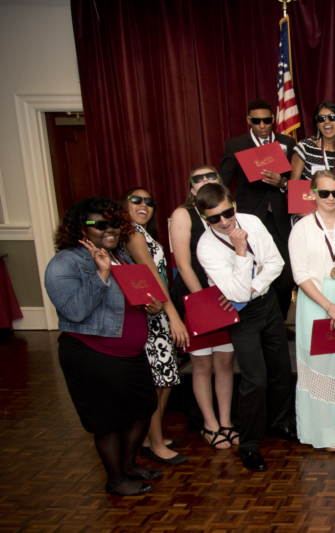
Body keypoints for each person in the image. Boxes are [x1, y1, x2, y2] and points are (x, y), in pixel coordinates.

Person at [45, 196, 164, 495]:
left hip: (130, 354)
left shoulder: (121, 256)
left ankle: (128, 466)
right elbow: (74, 312)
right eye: (98, 225)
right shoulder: (64, 262)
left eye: (113, 223)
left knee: (144, 408)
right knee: (107, 421)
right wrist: (101, 274)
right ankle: (116, 480)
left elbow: (133, 302)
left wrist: (152, 308)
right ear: (81, 229)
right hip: (92, 355)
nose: (108, 229)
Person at [196, 183, 296, 472]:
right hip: (242, 316)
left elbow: (276, 263)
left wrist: (253, 287)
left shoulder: (251, 221)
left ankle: (278, 424)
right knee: (255, 380)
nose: (224, 221)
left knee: (280, 369)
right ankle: (249, 445)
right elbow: (237, 295)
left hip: (268, 303)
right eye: (214, 218)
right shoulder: (207, 247)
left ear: (234, 205)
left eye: (227, 213)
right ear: (204, 218)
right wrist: (241, 251)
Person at [287, 170, 335, 452]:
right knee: (320, 364)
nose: (331, 198)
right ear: (313, 193)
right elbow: (300, 275)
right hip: (315, 301)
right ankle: (325, 432)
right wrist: (328, 306)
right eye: (324, 193)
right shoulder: (301, 229)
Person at [169, 166, 237, 451]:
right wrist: (203, 302)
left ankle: (226, 422)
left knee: (225, 363)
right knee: (202, 365)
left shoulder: (227, 212)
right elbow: (183, 264)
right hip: (196, 299)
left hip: (226, 299)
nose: (206, 180)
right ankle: (210, 425)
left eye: (212, 176)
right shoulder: (183, 214)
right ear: (191, 188)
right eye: (199, 178)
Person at [122, 187, 188, 465]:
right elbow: (151, 275)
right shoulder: (132, 233)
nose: (144, 204)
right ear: (124, 205)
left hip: (157, 312)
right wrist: (173, 316)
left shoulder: (143, 233)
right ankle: (156, 445)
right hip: (150, 315)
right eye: (136, 200)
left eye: (149, 201)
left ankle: (150, 438)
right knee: (157, 384)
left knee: (165, 379)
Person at [219, 99, 298, 320]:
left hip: (280, 219)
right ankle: (255, 323)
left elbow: (299, 182)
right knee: (252, 272)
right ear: (249, 120)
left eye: (266, 120)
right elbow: (222, 182)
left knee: (285, 276)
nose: (262, 125)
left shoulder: (287, 142)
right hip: (249, 219)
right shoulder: (236, 145)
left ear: (273, 119)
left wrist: (283, 183)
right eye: (256, 121)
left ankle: (278, 321)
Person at [290, 101, 335, 186]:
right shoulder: (305, 147)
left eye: (332, 117)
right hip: (310, 195)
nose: (326, 121)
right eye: (321, 118)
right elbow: (293, 186)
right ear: (317, 125)